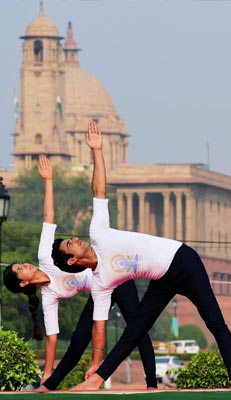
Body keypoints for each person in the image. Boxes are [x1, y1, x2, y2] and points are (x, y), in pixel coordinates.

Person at [51, 121, 231, 390]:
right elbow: (100, 325)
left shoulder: (98, 232)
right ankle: (97, 379)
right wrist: (95, 362)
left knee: (215, 321)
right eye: (71, 244)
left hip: (183, 261)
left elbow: (99, 192)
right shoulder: (102, 281)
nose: (77, 239)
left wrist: (97, 151)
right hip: (161, 280)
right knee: (133, 332)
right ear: (71, 260)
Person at [2, 155, 157, 391]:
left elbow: (48, 218)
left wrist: (49, 180)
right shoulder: (49, 296)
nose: (25, 265)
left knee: (137, 328)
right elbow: (53, 337)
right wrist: (46, 372)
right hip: (99, 290)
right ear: (23, 283)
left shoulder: (46, 256)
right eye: (20, 270)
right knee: (77, 340)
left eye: (21, 263)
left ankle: (152, 384)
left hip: (114, 278)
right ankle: (51, 384)